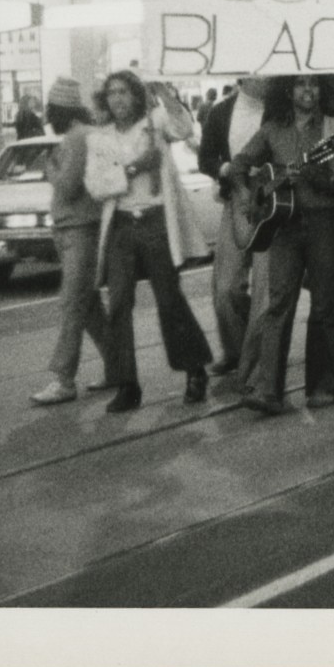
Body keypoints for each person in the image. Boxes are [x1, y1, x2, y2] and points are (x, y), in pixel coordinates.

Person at [84, 71, 214, 413]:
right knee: (119, 304)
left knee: (169, 300)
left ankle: (194, 369)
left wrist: (163, 91)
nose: (118, 99)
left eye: (124, 92)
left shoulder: (155, 122)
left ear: (136, 95)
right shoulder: (100, 138)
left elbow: (184, 127)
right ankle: (127, 383)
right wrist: (133, 168)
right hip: (123, 227)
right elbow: (96, 186)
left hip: (156, 222)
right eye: (111, 93)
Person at [230, 75, 334, 415]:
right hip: (283, 228)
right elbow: (239, 165)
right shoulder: (273, 128)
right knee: (278, 304)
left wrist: (313, 175)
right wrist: (247, 194)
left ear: (323, 90)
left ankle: (325, 385)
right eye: (301, 84)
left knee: (324, 303)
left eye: (314, 85)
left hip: (322, 224)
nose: (307, 91)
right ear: (288, 90)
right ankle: (268, 390)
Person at [30, 78, 116, 405]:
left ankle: (64, 379)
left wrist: (50, 166)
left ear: (60, 109)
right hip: (72, 229)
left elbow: (68, 186)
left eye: (50, 110)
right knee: (89, 306)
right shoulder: (77, 135)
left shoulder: (78, 136)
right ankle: (117, 366)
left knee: (72, 304)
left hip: (80, 230)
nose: (47, 116)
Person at [197, 77, 269, 382]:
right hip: (237, 198)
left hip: (273, 201)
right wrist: (224, 169)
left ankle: (257, 357)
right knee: (226, 287)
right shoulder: (221, 111)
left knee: (267, 290)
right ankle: (236, 350)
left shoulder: (281, 108)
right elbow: (205, 158)